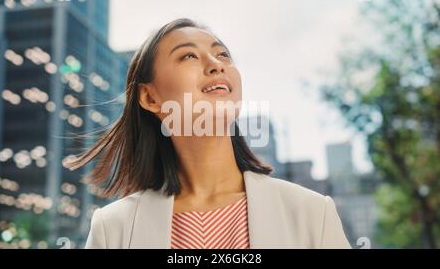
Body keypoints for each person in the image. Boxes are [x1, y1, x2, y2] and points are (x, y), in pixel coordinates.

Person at [65, 18, 350, 249]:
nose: (216, 63)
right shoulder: (113, 229)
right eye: (188, 55)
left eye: (222, 53)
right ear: (149, 98)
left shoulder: (313, 213)